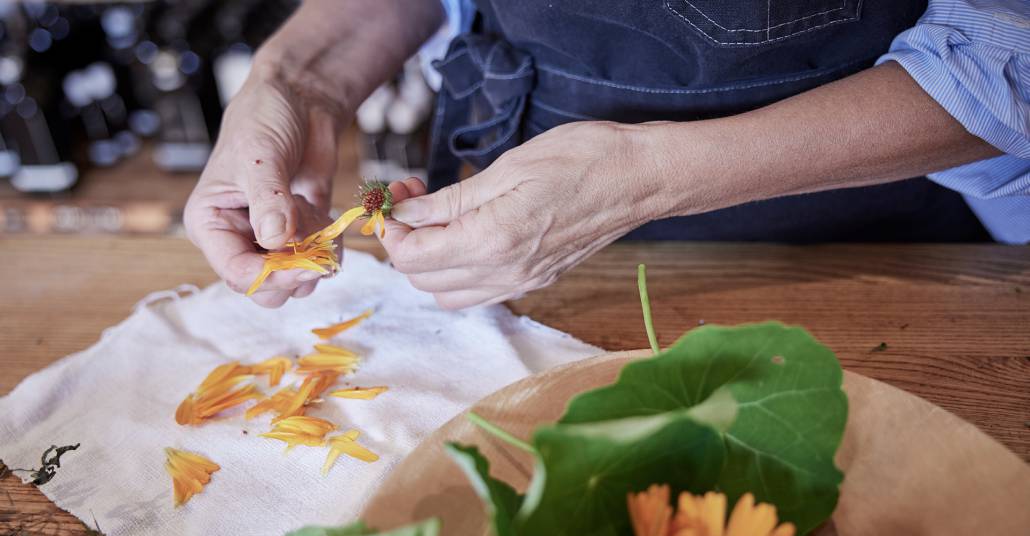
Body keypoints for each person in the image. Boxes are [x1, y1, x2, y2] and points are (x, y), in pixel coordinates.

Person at [184, 0, 1029, 309]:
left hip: (872, 263)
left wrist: (648, 178)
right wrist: (295, 80)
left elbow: (1009, 52)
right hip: (528, 266)